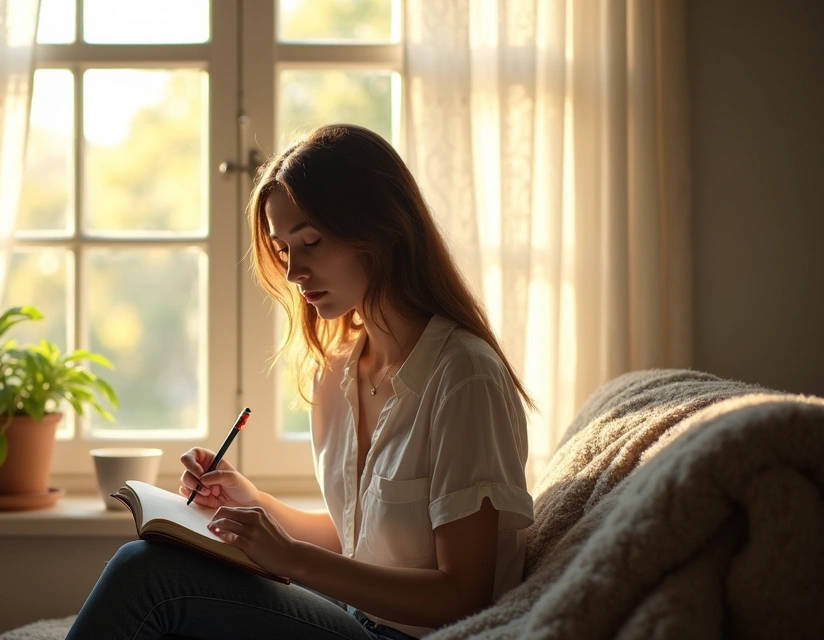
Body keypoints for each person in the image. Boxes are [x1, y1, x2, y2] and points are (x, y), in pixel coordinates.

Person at [65, 123, 535, 640]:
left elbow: (463, 597)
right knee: (160, 571)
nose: (293, 273)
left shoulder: (464, 377)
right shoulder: (338, 370)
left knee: (147, 574)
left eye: (311, 241)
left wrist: (293, 561)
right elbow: (359, 540)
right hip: (350, 615)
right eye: (283, 248)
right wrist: (249, 502)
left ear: (382, 230)